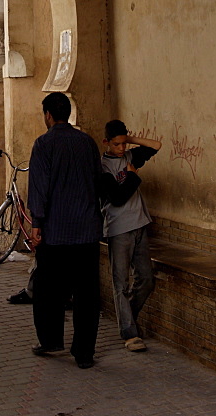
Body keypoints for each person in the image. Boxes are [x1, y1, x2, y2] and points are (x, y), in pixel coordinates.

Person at [27, 92, 102, 369]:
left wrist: (36, 224)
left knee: (48, 290)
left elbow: (39, 187)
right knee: (87, 294)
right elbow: (98, 182)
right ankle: (84, 353)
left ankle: (51, 340)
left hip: (55, 233)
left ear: (48, 115)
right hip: (86, 232)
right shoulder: (87, 143)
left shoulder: (43, 145)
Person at [100, 120, 162, 351]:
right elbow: (117, 197)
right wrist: (132, 177)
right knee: (121, 283)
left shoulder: (130, 157)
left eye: (123, 144)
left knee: (146, 279)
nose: (121, 149)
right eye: (116, 144)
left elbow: (156, 145)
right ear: (106, 142)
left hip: (140, 225)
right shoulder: (102, 167)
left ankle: (128, 319)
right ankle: (129, 333)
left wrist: (131, 139)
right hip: (118, 230)